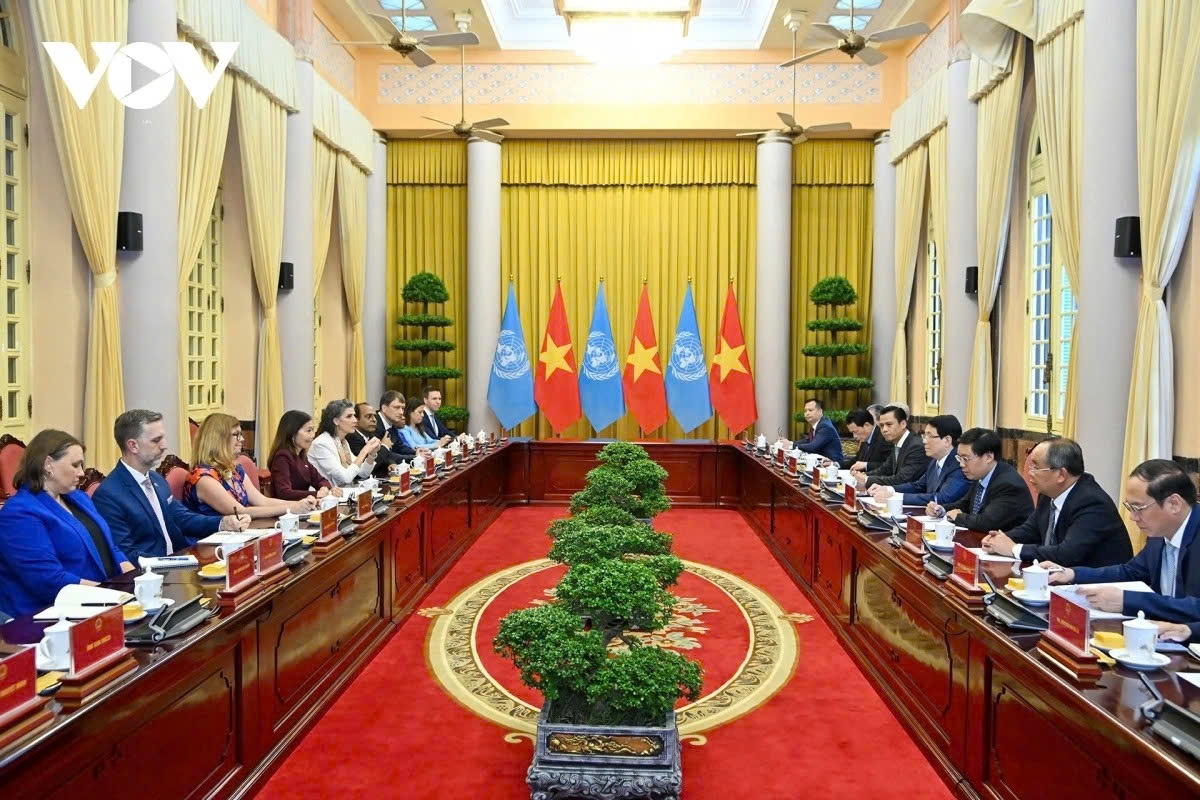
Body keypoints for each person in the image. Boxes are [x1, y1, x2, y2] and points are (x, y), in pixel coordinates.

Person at [1046, 459, 1200, 622]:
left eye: (1138, 508)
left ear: (1174, 504)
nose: (1133, 517)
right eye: (1130, 508)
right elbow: (1131, 572)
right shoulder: (1159, 535)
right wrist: (1072, 574)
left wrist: (1127, 601)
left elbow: (1196, 607)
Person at [0, 430, 134, 616]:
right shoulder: (19, 513)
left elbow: (111, 549)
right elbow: (48, 580)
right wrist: (114, 596)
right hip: (50, 618)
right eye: (75, 465)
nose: (81, 473)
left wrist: (136, 581)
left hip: (104, 603)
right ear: (48, 465)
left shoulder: (79, 498)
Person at [92, 409, 248, 562]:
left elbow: (182, 518)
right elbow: (127, 554)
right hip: (151, 575)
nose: (164, 445)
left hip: (180, 561)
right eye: (156, 440)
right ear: (133, 446)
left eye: (163, 438)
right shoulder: (109, 495)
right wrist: (175, 563)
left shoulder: (156, 479)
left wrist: (223, 523)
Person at [981, 438, 1131, 567]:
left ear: (1061, 474)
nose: (1029, 473)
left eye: (1036, 467)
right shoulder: (1048, 494)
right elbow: (1030, 530)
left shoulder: (1092, 503)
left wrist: (1014, 549)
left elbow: (1067, 554)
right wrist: (1000, 539)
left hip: (1098, 589)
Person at [184, 414, 314, 519]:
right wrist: (292, 508)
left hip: (238, 535)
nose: (242, 439)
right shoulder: (203, 478)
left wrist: (301, 504)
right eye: (236, 435)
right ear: (218, 439)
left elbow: (262, 501)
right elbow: (240, 512)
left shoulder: (234, 469)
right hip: (209, 545)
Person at [931, 428, 1033, 531]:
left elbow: (986, 522)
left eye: (965, 459)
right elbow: (965, 504)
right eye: (959, 458)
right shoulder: (980, 474)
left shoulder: (1008, 484)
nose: (961, 464)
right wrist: (942, 510)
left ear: (988, 457)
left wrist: (958, 517)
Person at [869, 415, 967, 507]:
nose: (924, 441)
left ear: (947, 440)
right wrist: (888, 489)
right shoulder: (935, 460)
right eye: (924, 435)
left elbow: (941, 498)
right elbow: (919, 486)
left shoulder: (959, 464)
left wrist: (895, 497)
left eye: (930, 436)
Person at [269, 410, 342, 502]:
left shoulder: (301, 456)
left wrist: (325, 488)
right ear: (292, 433)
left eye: (313, 430)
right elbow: (283, 493)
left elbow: (320, 479)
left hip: (302, 508)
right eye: (308, 430)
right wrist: (316, 494)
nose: (313, 435)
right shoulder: (282, 457)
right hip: (286, 511)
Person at [309, 399, 382, 487]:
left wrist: (372, 454)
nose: (355, 420)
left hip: (343, 493)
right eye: (349, 416)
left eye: (354, 416)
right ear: (336, 421)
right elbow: (345, 477)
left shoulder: (342, 442)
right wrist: (364, 451)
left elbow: (363, 473)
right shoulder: (321, 444)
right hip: (325, 497)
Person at [862, 406, 929, 488]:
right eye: (882, 426)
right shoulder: (897, 442)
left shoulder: (916, 446)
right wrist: (863, 474)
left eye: (889, 424)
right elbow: (885, 469)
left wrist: (867, 479)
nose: (884, 429)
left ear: (903, 424)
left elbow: (901, 479)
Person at [373, 391, 419, 465]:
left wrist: (416, 452)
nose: (401, 412)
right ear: (384, 408)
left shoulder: (393, 424)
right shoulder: (374, 424)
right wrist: (414, 457)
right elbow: (385, 455)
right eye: (397, 407)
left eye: (403, 408)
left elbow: (398, 447)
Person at [793, 398, 843, 464]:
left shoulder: (825, 426)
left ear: (820, 412)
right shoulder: (816, 425)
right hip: (820, 463)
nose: (807, 413)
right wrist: (790, 443)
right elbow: (807, 440)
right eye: (805, 411)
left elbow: (812, 447)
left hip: (832, 465)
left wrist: (791, 445)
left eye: (810, 410)